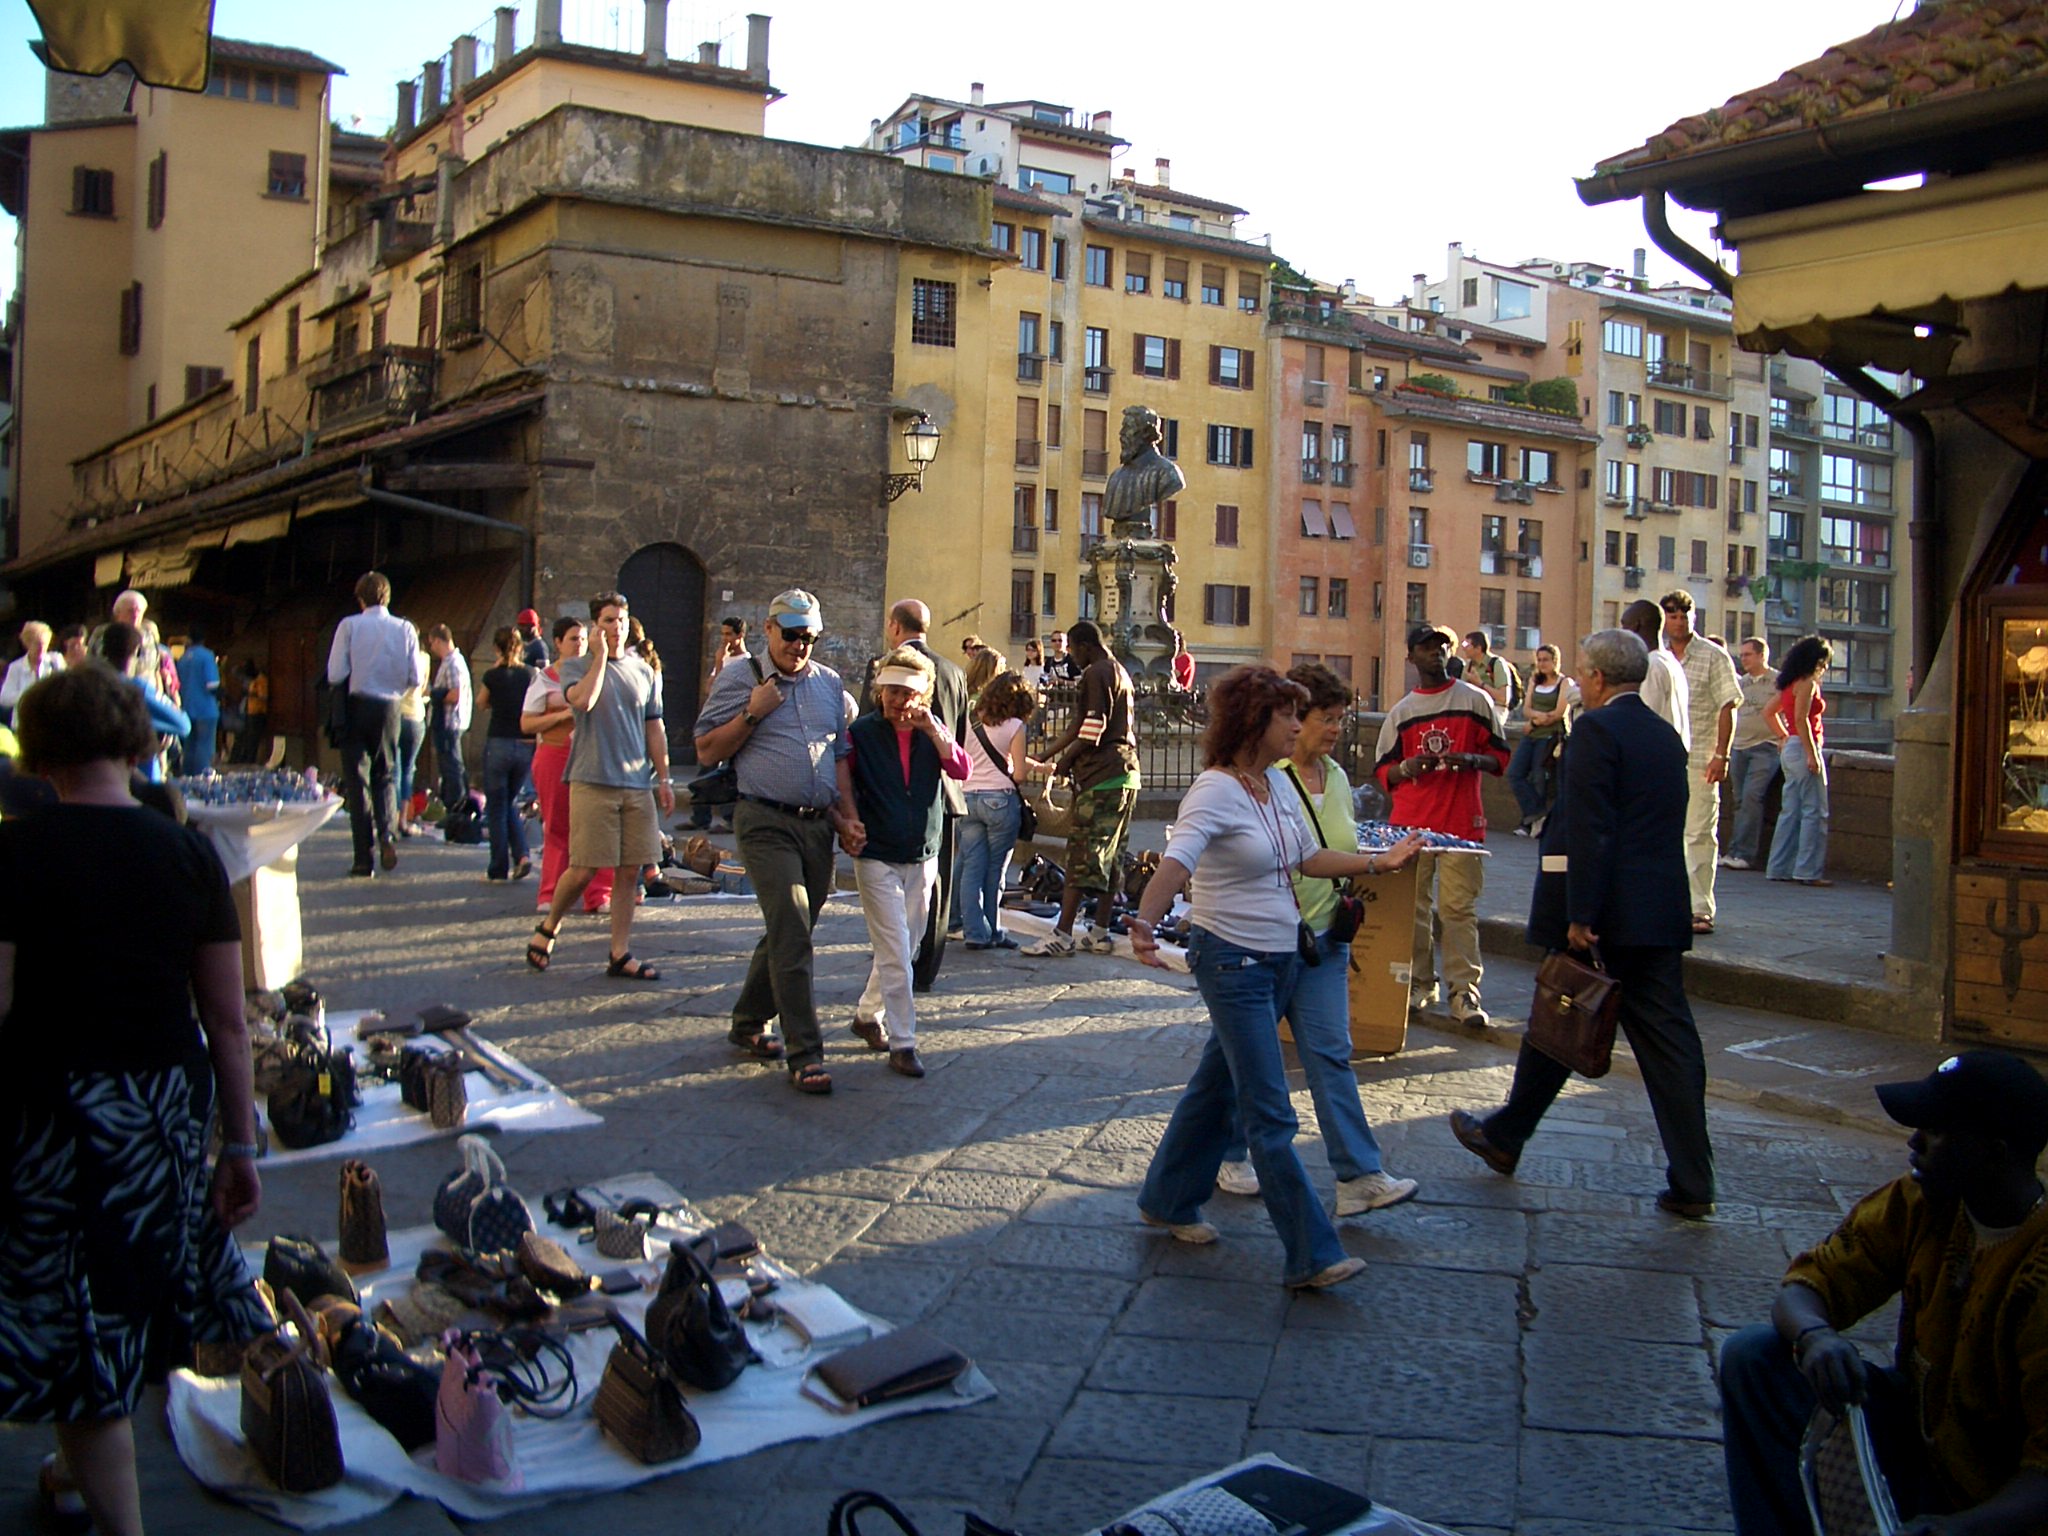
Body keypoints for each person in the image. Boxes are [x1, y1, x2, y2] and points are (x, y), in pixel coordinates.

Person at [0, 665, 267, 1536]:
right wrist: (239, 1144)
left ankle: (115, 1513)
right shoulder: (191, 854)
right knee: (128, 1294)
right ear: (135, 742)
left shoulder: (15, 851)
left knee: (75, 1308)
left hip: (50, 1110)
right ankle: (78, 1472)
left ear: (39, 755)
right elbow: (228, 1023)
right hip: (158, 1111)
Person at [1127, 665, 1422, 1291]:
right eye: (1287, 714)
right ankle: (1311, 1251)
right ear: (1252, 722)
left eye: (1299, 713)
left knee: (1216, 1090)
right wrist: (1144, 924)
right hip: (1232, 963)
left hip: (1286, 956)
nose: (1298, 724)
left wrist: (1380, 862)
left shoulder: (1275, 786)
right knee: (1269, 1110)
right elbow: (1177, 858)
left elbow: (1308, 858)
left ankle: (1167, 1197)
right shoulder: (1214, 790)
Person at [1717, 1049, 2048, 1536]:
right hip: (1921, 1442)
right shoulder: (1921, 1202)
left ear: (1994, 1153)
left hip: (1999, 1502)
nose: (1914, 1142)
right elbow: (1805, 1287)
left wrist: (1956, 1530)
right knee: (1755, 1357)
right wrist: (1816, 1338)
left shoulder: (2039, 1274)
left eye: (1935, 1130)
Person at [1449, 628, 1716, 1217]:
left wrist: (1581, 914)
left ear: (1595, 678)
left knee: (1565, 1012)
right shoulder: (1666, 736)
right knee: (1634, 1038)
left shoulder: (1597, 730)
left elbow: (1593, 828)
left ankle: (1507, 1134)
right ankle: (1690, 1179)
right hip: (1657, 913)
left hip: (1608, 917)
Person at [1213, 663, 1423, 1216]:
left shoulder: (1334, 777)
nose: (1334, 729)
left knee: (1330, 1053)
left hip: (1324, 939)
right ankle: (1225, 1154)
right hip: (1267, 943)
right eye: (1325, 719)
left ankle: (1358, 1176)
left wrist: (1377, 863)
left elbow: (1333, 848)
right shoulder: (1265, 775)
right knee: (1242, 1059)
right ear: (1290, 719)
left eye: (1340, 718)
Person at [695, 589, 861, 1093]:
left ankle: (747, 1020)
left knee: (790, 929)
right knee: (791, 927)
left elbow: (838, 760)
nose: (799, 645)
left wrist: (847, 818)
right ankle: (805, 1053)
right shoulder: (740, 678)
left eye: (808, 637)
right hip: (763, 819)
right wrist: (752, 712)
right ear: (768, 630)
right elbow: (704, 751)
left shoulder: (829, 685)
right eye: (790, 634)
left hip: (816, 825)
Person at [525, 593, 673, 981]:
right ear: (596, 625)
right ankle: (550, 925)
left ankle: (619, 952)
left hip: (636, 782)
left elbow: (654, 725)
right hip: (592, 779)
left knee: (629, 871)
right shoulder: (576, 667)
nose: (616, 627)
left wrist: (665, 778)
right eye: (608, 620)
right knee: (584, 867)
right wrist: (601, 658)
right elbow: (584, 702)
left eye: (621, 620)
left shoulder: (644, 671)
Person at [839, 645, 971, 1079]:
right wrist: (849, 822)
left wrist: (935, 732)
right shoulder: (861, 733)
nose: (900, 701)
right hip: (876, 852)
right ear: (880, 691)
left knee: (909, 944)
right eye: (892, 691)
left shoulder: (930, 732)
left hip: (922, 851)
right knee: (894, 949)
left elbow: (961, 769)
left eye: (908, 692)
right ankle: (903, 1041)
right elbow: (841, 781)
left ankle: (865, 1015)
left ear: (924, 693)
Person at [1373, 623, 1509, 1026]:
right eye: (1428, 647)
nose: (1437, 653)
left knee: (1457, 909)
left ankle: (1464, 992)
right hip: (1411, 826)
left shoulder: (1475, 701)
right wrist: (1407, 767)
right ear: (1411, 656)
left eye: (1444, 647)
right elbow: (1383, 772)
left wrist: (1471, 760)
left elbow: (1500, 759)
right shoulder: (1402, 713)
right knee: (1413, 909)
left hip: (1461, 825)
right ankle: (1419, 982)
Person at [860, 600, 967, 992]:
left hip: (898, 796)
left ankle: (897, 965)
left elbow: (865, 730)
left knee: (916, 893)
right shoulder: (955, 671)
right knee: (934, 893)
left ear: (894, 627)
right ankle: (921, 968)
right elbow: (964, 733)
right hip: (943, 796)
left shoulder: (883, 668)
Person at [1022, 619, 1140, 957]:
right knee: (1112, 856)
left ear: (1084, 645)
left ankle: (1062, 933)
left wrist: (1064, 763)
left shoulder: (1095, 673)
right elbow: (1080, 725)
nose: (1070, 656)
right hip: (1126, 774)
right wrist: (1045, 754)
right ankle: (1099, 932)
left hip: (1102, 776)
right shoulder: (1120, 671)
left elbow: (1092, 728)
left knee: (1080, 856)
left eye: (1072, 649)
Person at [328, 574, 425, 877]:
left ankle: (362, 857)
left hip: (357, 706)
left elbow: (334, 673)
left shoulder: (350, 626)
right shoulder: (405, 628)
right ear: (388, 598)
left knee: (357, 780)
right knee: (386, 773)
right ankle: (387, 833)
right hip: (391, 708)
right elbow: (414, 678)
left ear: (360, 599)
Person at [1661, 592, 1742, 936]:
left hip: (1700, 759)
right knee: (1665, 834)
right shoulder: (1660, 658)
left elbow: (1728, 704)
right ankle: (1667, 903)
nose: (1679, 621)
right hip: (1663, 761)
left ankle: (1699, 908)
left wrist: (1721, 754)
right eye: (1673, 615)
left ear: (1694, 618)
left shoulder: (1713, 656)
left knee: (1698, 834)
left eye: (1685, 615)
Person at [522, 618, 613, 916]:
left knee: (596, 826)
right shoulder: (545, 678)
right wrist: (561, 716)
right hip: (555, 754)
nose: (580, 643)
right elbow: (527, 723)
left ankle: (598, 894)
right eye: (573, 638)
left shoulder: (596, 671)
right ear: (558, 643)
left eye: (584, 638)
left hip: (592, 756)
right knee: (558, 826)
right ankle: (550, 892)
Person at [956, 669, 1039, 950]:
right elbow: (1019, 776)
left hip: (968, 798)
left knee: (971, 868)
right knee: (995, 871)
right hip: (1000, 800)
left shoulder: (969, 720)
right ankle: (994, 930)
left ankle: (974, 932)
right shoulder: (1015, 726)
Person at [1767, 634, 1834, 887]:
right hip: (1804, 745)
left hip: (1790, 749)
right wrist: (1812, 753)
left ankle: (1779, 866)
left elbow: (1769, 712)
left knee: (1790, 810)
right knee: (1815, 811)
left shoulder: (1789, 684)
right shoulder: (1807, 683)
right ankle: (1807, 870)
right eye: (1824, 662)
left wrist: (1783, 737)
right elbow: (1801, 718)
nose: (1825, 668)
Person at [1721, 636, 1786, 872]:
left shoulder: (1778, 681)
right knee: (1739, 800)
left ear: (1761, 655)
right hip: (1739, 747)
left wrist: (1783, 737)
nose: (1743, 659)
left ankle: (1746, 854)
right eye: (1742, 654)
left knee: (1751, 797)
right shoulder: (1741, 683)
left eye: (1748, 654)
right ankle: (1735, 851)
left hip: (1765, 747)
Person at [96, 622, 189, 783]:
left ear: (102, 650)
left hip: (96, 780)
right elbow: (183, 724)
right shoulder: (138, 688)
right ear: (138, 651)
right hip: (138, 780)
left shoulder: (88, 686)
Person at [479, 626, 536, 883]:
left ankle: (498, 866)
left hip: (499, 740)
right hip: (525, 743)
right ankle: (522, 855)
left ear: (496, 648)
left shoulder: (493, 675)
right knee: (510, 801)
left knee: (497, 806)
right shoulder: (530, 675)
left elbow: (481, 703)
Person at [1506, 643, 1575, 837]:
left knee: (1539, 778)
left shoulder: (1564, 683)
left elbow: (1559, 712)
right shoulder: (1535, 681)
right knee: (1515, 773)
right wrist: (1539, 717)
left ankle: (1530, 824)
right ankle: (1537, 815)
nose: (1542, 664)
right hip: (1531, 736)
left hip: (1550, 737)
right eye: (1539, 660)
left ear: (1555, 661)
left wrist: (1536, 722)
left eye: (1546, 660)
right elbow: (1526, 709)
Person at [691, 617, 751, 831]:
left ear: (739, 636)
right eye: (722, 634)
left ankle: (729, 819)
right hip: (715, 727)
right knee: (705, 770)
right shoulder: (723, 659)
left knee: (728, 773)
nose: (724, 639)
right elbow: (710, 689)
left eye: (728, 634)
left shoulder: (747, 663)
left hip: (733, 726)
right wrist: (719, 663)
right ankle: (700, 816)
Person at [90, 590, 178, 707]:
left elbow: (155, 670)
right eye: (130, 611)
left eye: (139, 611)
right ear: (118, 613)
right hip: (111, 699)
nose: (135, 615)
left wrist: (159, 698)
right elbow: (91, 664)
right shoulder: (103, 634)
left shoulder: (148, 636)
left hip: (145, 700)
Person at [1622, 598, 1690, 749]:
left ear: (1636, 626)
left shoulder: (1651, 666)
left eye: (1624, 625)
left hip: (1655, 757)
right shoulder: (1671, 661)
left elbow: (1644, 721)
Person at [425, 623, 473, 812]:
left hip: (449, 722)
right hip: (448, 721)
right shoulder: (451, 661)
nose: (431, 648)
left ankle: (456, 805)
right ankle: (452, 803)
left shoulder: (453, 663)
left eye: (432, 643)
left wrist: (435, 693)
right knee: (449, 766)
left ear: (439, 640)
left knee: (452, 766)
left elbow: (455, 695)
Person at [174, 624, 222, 775]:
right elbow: (212, 684)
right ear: (203, 639)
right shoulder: (207, 656)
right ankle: (202, 780)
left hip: (187, 709)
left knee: (189, 747)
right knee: (204, 747)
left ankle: (187, 778)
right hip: (206, 710)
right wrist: (222, 695)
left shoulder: (183, 658)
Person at [0, 622, 64, 725]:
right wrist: (30, 694)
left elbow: (64, 689)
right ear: (27, 644)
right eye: (37, 644)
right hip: (24, 724)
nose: (41, 648)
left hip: (51, 723)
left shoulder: (55, 661)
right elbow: (4, 698)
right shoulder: (16, 667)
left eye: (45, 644)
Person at [394, 656, 429, 836]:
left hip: (398, 715)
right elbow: (422, 688)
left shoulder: (397, 655)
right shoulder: (424, 659)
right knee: (408, 770)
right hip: (416, 716)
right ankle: (404, 820)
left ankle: (392, 819)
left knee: (395, 769)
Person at [1458, 630, 1515, 712]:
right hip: (1474, 708)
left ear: (1478, 648)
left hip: (1495, 707)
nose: (1463, 649)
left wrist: (1480, 684)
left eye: (1467, 645)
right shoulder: (1468, 666)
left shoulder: (1497, 664)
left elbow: (1503, 698)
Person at [230, 658, 268, 764]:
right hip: (250, 711)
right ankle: (244, 758)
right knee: (248, 738)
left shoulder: (261, 680)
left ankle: (250, 760)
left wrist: (252, 694)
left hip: (257, 712)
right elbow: (235, 671)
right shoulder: (254, 681)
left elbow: (263, 696)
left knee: (253, 739)